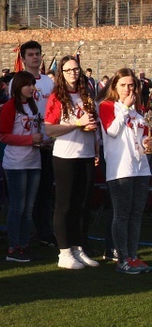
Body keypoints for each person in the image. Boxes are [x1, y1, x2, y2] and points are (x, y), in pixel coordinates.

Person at [45, 56, 100, 270]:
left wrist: (95, 144)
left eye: (76, 69)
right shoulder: (57, 97)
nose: (73, 73)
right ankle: (64, 251)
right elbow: (50, 129)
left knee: (83, 204)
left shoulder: (87, 95)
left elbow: (92, 123)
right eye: (68, 70)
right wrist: (77, 123)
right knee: (65, 204)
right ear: (62, 73)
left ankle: (78, 247)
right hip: (66, 155)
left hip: (86, 153)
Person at [98, 69, 152, 274]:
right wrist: (125, 108)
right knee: (121, 214)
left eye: (131, 85)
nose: (128, 89)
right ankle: (122, 258)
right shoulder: (108, 106)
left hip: (140, 167)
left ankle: (133, 255)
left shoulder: (138, 111)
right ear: (115, 87)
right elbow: (112, 131)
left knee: (136, 214)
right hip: (120, 168)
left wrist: (147, 142)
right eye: (123, 85)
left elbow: (141, 137)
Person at [14, 40, 56, 247]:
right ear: (23, 59)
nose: (35, 57)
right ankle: (25, 232)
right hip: (25, 144)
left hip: (47, 143)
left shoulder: (49, 82)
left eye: (37, 53)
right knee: (26, 195)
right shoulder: (17, 82)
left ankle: (44, 231)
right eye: (30, 54)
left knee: (46, 190)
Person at [0, 71, 42, 262]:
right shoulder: (10, 107)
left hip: (33, 161)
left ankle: (24, 245)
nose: (32, 88)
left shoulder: (33, 105)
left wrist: (41, 141)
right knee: (18, 205)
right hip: (16, 163)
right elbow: (3, 135)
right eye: (28, 85)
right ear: (18, 86)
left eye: (33, 85)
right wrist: (29, 140)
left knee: (29, 207)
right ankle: (13, 246)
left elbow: (35, 130)